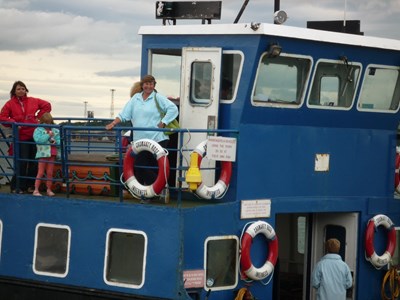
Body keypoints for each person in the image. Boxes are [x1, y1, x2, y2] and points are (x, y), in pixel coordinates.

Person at [106, 75, 178, 191]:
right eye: (146, 84)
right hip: (140, 141)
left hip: (157, 139)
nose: (148, 86)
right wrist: (114, 123)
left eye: (151, 84)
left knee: (153, 167)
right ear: (142, 85)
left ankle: (156, 192)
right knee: (140, 166)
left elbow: (173, 108)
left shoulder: (158, 98)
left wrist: (164, 122)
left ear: (154, 85)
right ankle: (159, 190)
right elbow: (124, 114)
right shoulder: (135, 99)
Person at [0, 81, 52, 193]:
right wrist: (13, 123)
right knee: (22, 162)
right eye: (18, 89)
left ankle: (30, 186)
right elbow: (2, 117)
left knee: (34, 161)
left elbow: (47, 105)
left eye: (23, 88)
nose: (21, 91)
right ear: (14, 91)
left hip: (34, 135)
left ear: (26, 90)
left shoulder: (33, 100)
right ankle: (17, 186)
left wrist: (38, 118)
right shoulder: (9, 104)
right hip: (21, 137)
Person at [32, 113, 60, 197]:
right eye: (46, 122)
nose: (47, 124)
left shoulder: (55, 130)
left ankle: (49, 189)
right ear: (42, 122)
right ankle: (36, 190)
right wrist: (48, 135)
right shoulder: (38, 130)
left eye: (49, 122)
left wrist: (56, 142)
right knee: (40, 172)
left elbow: (59, 141)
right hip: (42, 154)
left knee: (50, 173)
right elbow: (38, 140)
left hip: (52, 153)